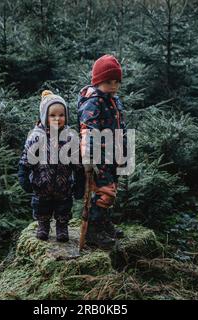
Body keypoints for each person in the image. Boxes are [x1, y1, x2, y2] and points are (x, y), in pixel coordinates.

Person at [18, 90, 84, 242]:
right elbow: (26, 158)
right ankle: (43, 225)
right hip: (41, 184)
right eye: (52, 115)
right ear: (44, 116)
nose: (57, 118)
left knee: (64, 207)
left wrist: (80, 182)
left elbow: (77, 163)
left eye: (61, 115)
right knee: (42, 207)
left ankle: (62, 227)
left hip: (63, 185)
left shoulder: (70, 136)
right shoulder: (36, 136)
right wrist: (23, 176)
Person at [77, 54, 127, 248]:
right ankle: (93, 231)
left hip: (114, 155)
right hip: (100, 158)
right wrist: (89, 157)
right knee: (103, 191)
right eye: (108, 82)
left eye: (116, 82)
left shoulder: (114, 100)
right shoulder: (93, 103)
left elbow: (121, 126)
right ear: (98, 81)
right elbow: (88, 131)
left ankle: (105, 223)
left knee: (112, 190)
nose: (113, 86)